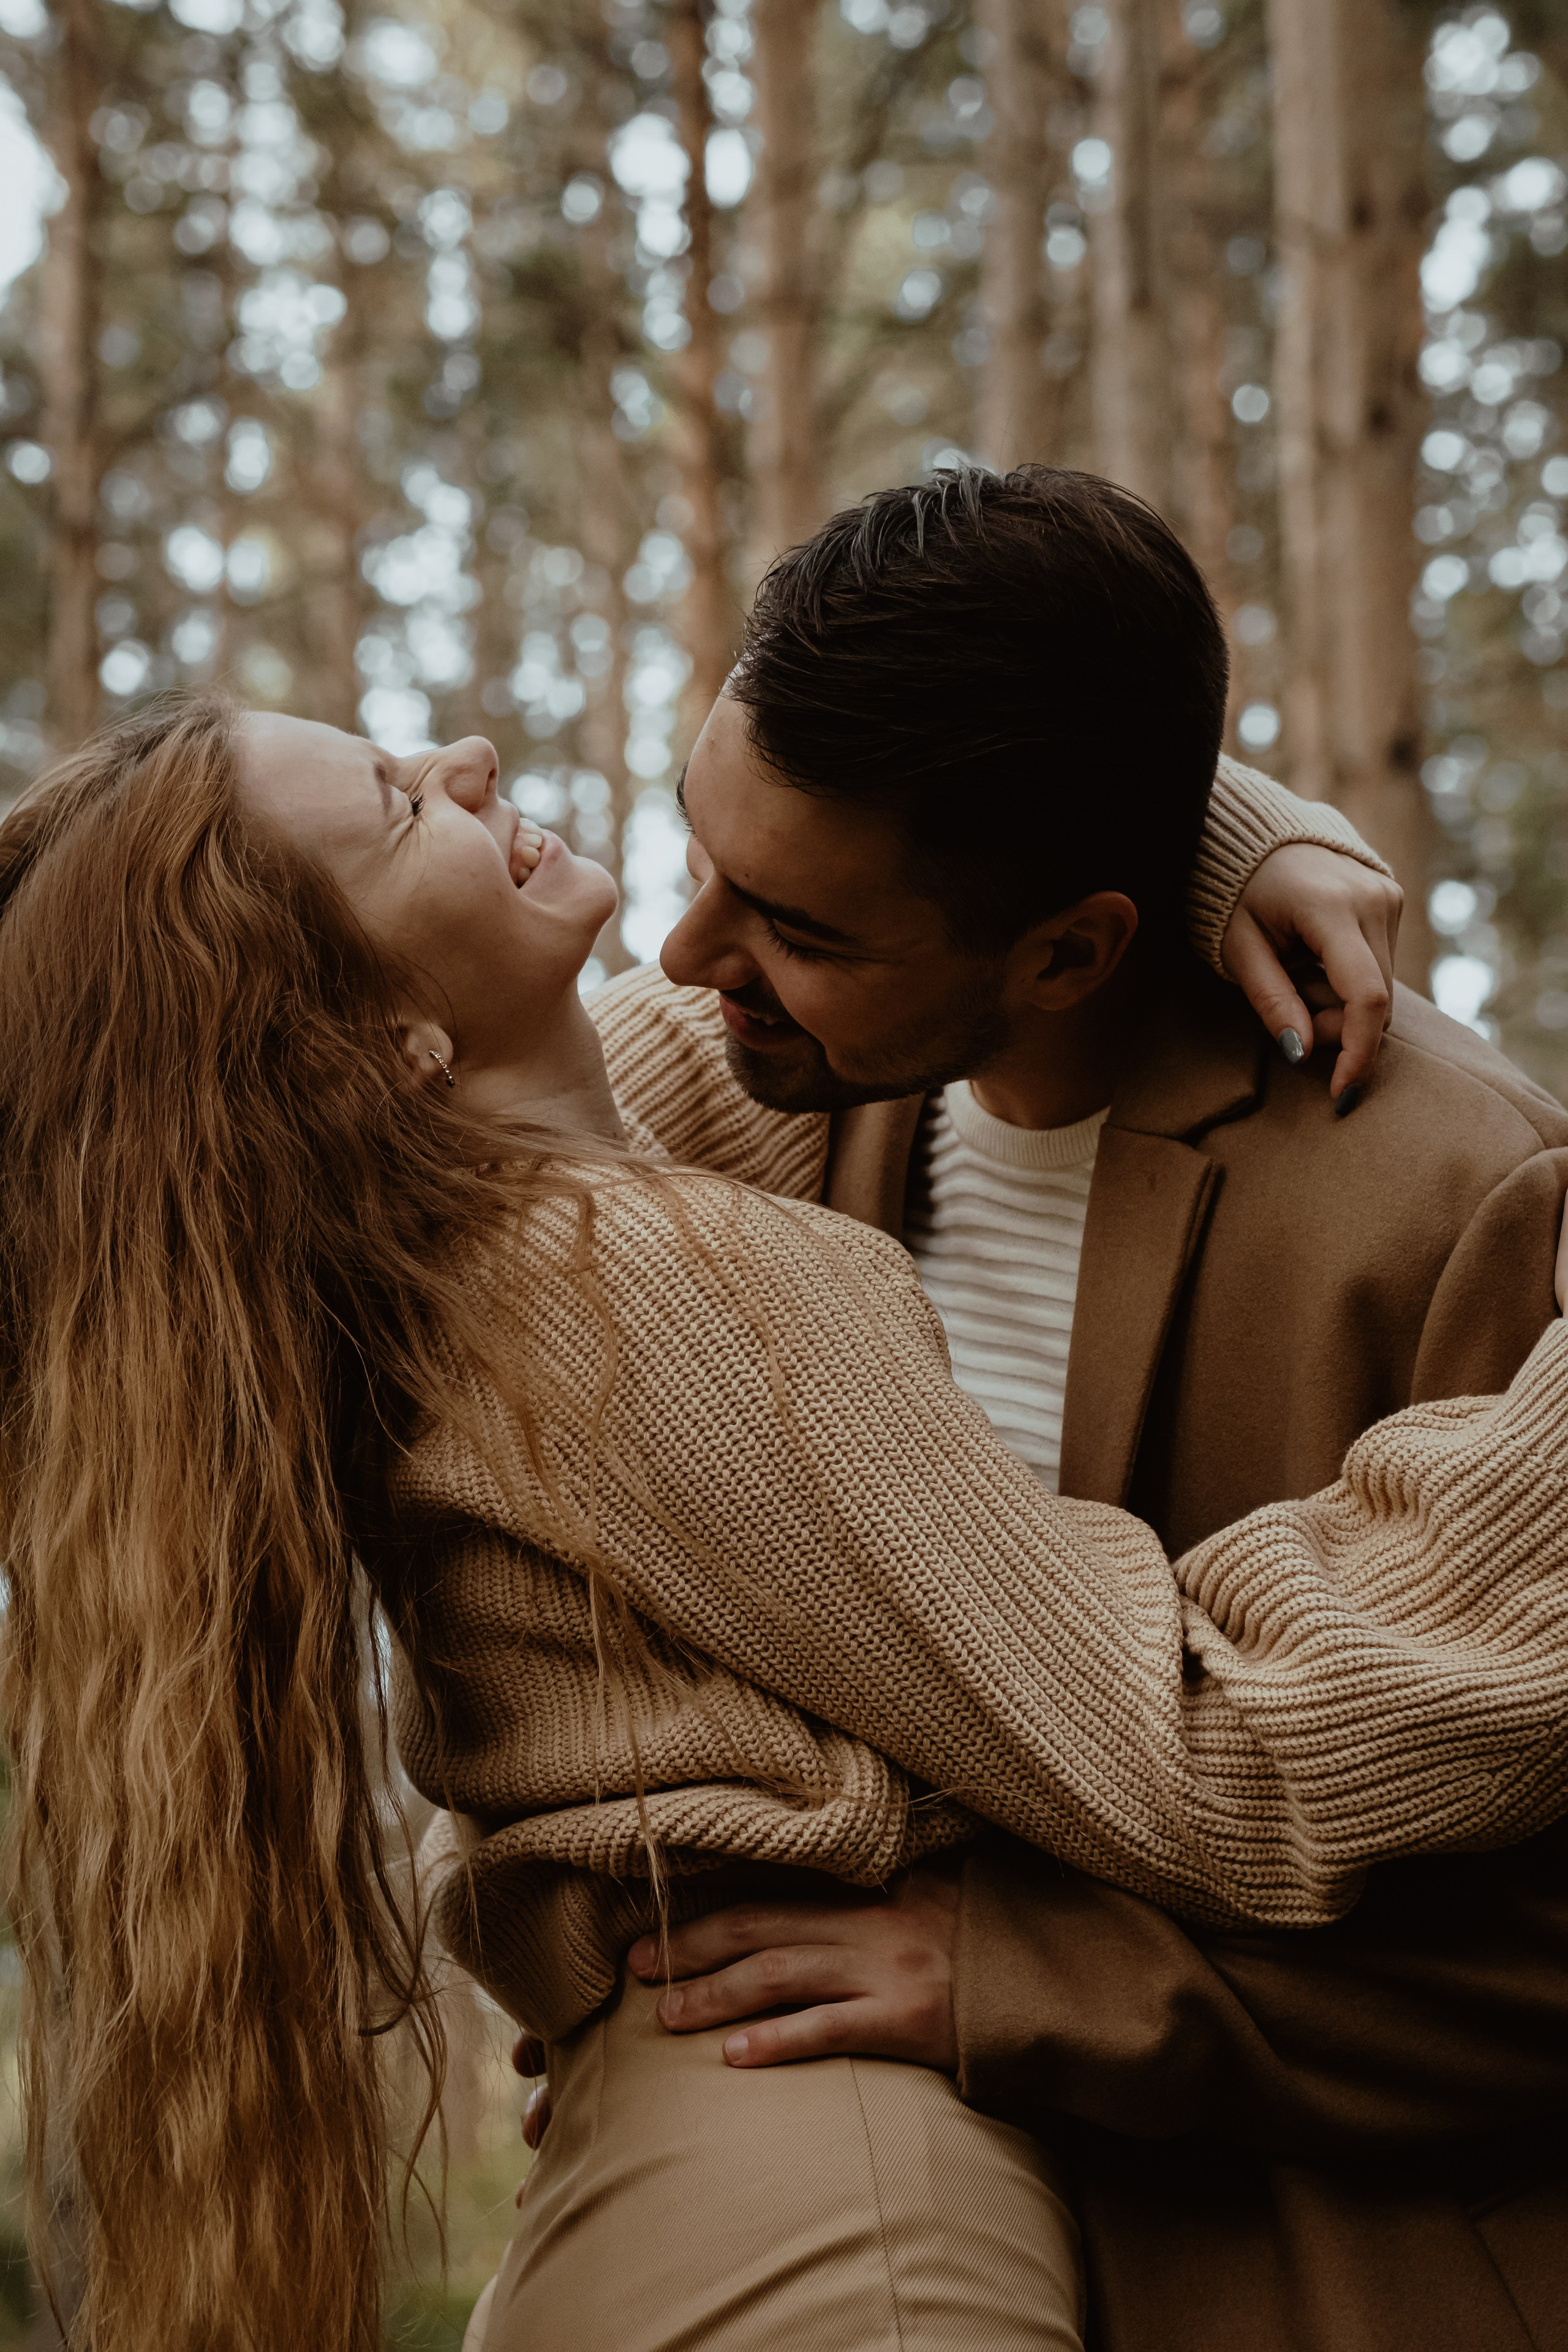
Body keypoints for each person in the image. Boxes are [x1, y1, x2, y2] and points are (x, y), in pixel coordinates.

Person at [4, 685, 1565, 2352]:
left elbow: (923, 870)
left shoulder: (439, 1219)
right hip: (840, 2194)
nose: (461, 758)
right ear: (387, 1047)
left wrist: (1209, 831)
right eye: (396, 809)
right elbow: (1195, 1746)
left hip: (689, 2135)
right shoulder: (647, 1282)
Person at [519, 465, 1568, 2352]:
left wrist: (1020, 1979)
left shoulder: (1462, 1196)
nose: (682, 958)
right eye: (700, 855)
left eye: (799, 927)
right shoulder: (759, 1105)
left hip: (1318, 2264)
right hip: (856, 2212)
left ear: (1075, 947)